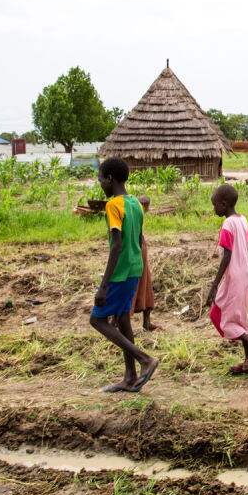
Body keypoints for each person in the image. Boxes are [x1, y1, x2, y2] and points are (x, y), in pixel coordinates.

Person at [89, 158, 159, 393]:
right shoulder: (136, 205)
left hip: (119, 273)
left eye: (100, 179)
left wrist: (104, 285)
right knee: (122, 319)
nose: (100, 183)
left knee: (97, 319)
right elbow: (139, 239)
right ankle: (129, 377)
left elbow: (116, 246)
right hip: (135, 269)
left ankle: (144, 359)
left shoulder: (113, 206)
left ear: (110, 178)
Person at [205, 184, 248, 374]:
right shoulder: (243, 220)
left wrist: (214, 285)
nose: (214, 208)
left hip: (235, 275)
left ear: (223, 205)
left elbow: (228, 256)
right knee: (239, 315)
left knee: (221, 314)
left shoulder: (227, 224)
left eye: (215, 205)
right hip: (245, 273)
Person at [132, 196, 162, 331]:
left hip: (140, 249)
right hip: (137, 250)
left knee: (145, 284)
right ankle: (119, 323)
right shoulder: (136, 212)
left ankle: (146, 322)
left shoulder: (136, 213)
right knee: (137, 285)